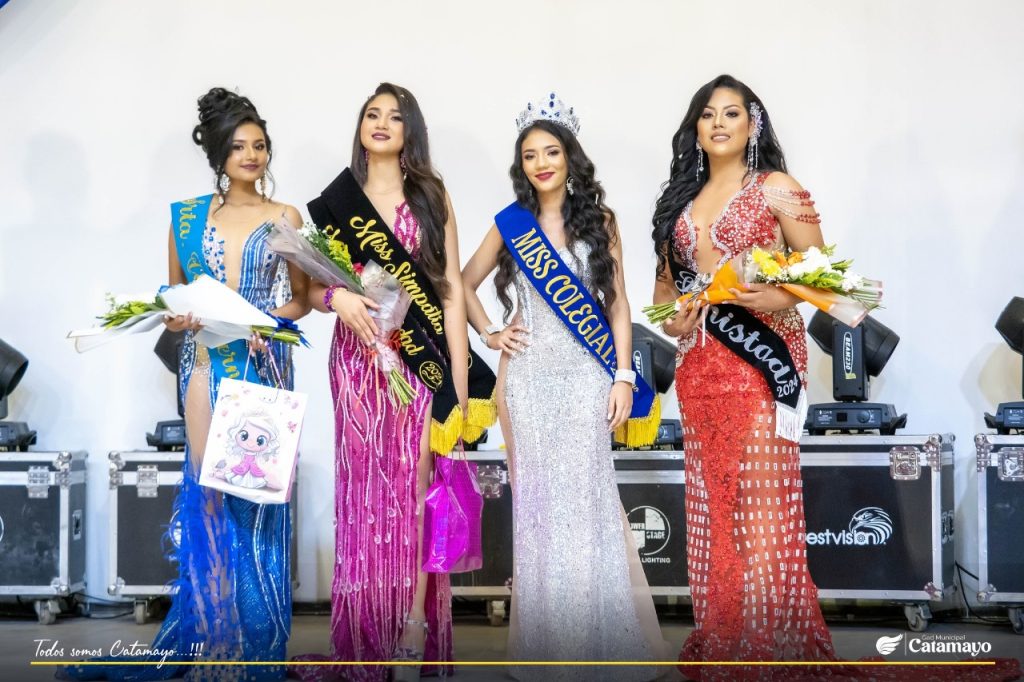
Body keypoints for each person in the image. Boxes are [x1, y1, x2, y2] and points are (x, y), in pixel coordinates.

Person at [651, 74, 1023, 682]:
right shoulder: (679, 203)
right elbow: (665, 297)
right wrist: (676, 318)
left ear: (752, 125)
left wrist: (776, 298)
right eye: (708, 114)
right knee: (711, 510)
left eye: (732, 113)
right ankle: (726, 639)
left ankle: (770, 648)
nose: (719, 123)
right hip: (701, 369)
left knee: (763, 511)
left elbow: (826, 279)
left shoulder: (778, 189)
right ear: (695, 127)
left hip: (762, 366)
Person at [62, 87, 309, 681]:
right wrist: (175, 317)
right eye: (238, 146)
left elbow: (302, 300)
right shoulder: (186, 217)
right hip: (204, 365)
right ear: (218, 154)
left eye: (259, 145)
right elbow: (173, 295)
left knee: (259, 500)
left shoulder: (286, 216)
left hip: (262, 364)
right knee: (212, 494)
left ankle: (256, 644)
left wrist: (267, 323)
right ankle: (214, 637)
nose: (251, 155)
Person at [462, 93, 667, 681]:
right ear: (521, 164)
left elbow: (619, 305)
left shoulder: (600, 222)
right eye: (530, 155)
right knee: (539, 509)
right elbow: (463, 281)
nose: (541, 163)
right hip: (527, 383)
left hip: (586, 378)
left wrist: (623, 375)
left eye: (551, 151)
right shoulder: (511, 224)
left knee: (588, 501)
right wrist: (491, 331)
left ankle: (598, 641)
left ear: (570, 156)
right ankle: (548, 645)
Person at [295, 83, 492, 682]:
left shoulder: (431, 197)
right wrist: (335, 298)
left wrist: (459, 382)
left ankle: (412, 629)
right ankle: (363, 638)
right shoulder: (338, 202)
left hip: (417, 361)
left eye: (395, 116)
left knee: (415, 488)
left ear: (411, 131)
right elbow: (311, 287)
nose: (381, 122)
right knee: (363, 496)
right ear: (361, 127)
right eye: (372, 114)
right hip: (357, 361)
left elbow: (450, 292)